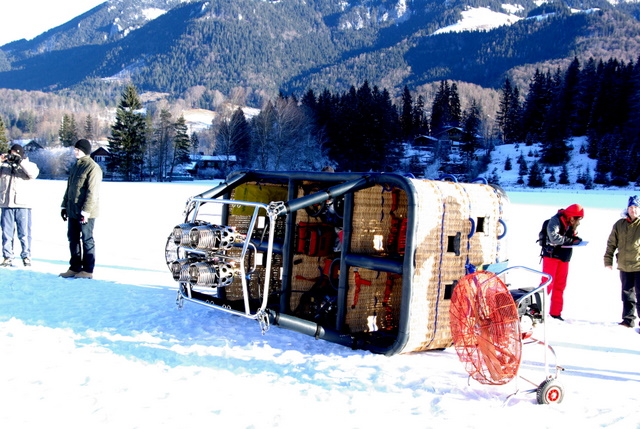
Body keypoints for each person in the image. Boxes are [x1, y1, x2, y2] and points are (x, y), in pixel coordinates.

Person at [59, 139, 102, 279]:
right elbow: (69, 188)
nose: (75, 151)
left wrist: (86, 211)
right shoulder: (76, 166)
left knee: (87, 239)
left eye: (77, 149)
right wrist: (64, 206)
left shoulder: (93, 168)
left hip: (86, 212)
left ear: (84, 151)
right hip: (73, 209)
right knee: (73, 238)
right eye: (75, 149)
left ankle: (88, 270)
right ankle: (75, 267)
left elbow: (92, 192)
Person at [540, 204, 584, 321]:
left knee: (560, 285)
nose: (578, 222)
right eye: (577, 219)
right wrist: (571, 241)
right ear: (571, 216)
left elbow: (569, 237)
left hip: (564, 257)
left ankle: (555, 313)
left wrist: (575, 239)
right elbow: (553, 237)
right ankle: (538, 311)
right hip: (551, 255)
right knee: (547, 284)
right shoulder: (555, 220)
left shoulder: (571, 223)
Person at [0, 144, 39, 267]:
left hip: (23, 204)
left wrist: (20, 161)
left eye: (15, 154)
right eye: (11, 153)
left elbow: (33, 173)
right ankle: (7, 256)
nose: (12, 156)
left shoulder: (29, 165)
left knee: (24, 233)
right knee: (6, 233)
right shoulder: (4, 166)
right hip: (6, 204)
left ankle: (26, 256)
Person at [604, 196, 640, 328]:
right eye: (631, 208)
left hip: (639, 266)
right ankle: (628, 320)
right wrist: (608, 260)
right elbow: (611, 243)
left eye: (636, 208)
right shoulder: (620, 224)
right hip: (624, 265)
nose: (633, 210)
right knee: (627, 294)